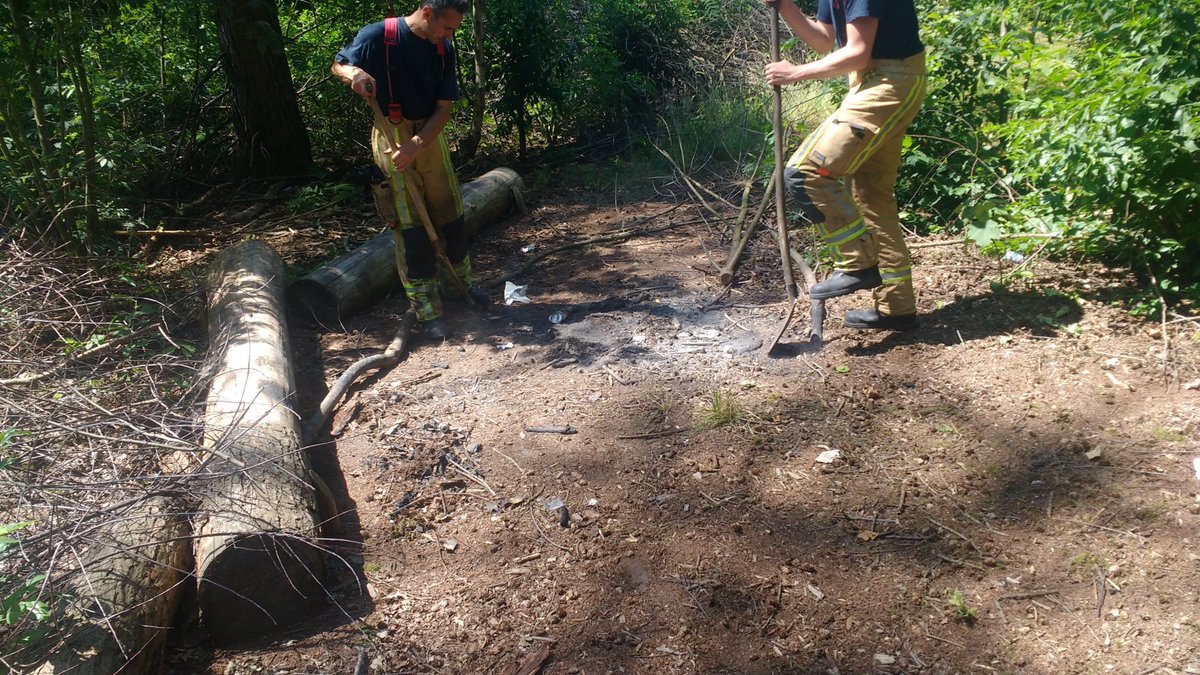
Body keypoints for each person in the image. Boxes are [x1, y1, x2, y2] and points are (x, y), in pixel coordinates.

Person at [764, 0, 926, 330]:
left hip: (891, 80)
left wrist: (796, 73)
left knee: (806, 172)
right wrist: (784, 7)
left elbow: (858, 51)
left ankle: (857, 264)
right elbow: (826, 39)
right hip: (870, 81)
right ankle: (897, 307)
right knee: (873, 198)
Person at [332, 0, 485, 340]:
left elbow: (443, 110)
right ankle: (428, 311)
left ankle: (460, 288)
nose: (449, 36)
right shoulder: (378, 36)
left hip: (427, 136)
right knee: (410, 224)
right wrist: (353, 74)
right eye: (447, 28)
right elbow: (339, 64)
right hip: (391, 133)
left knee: (451, 214)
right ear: (427, 12)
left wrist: (417, 144)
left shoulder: (444, 49)